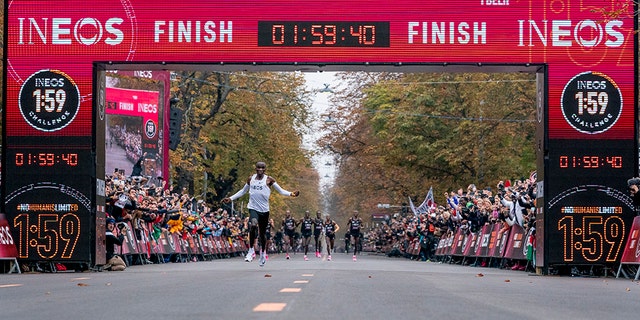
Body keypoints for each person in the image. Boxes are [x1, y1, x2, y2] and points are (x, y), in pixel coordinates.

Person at [222, 161, 299, 267]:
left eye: (262, 168)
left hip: (264, 210)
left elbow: (280, 191)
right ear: (256, 168)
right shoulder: (251, 179)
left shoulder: (269, 180)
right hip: (253, 208)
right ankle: (251, 250)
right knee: (253, 224)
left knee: (262, 234)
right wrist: (230, 198)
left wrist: (291, 194)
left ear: (265, 169)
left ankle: (263, 253)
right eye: (258, 168)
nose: (260, 170)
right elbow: (243, 191)